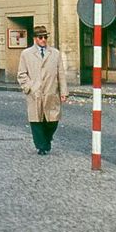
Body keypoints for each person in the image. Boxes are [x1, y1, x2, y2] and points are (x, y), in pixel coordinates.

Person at [17, 25, 68, 155]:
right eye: (40, 37)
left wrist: (63, 92)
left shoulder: (55, 53)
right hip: (35, 93)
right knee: (36, 120)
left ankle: (47, 138)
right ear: (35, 39)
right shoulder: (26, 54)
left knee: (53, 120)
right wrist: (29, 87)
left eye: (45, 37)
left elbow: (60, 73)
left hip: (51, 92)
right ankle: (41, 146)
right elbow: (22, 74)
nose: (43, 39)